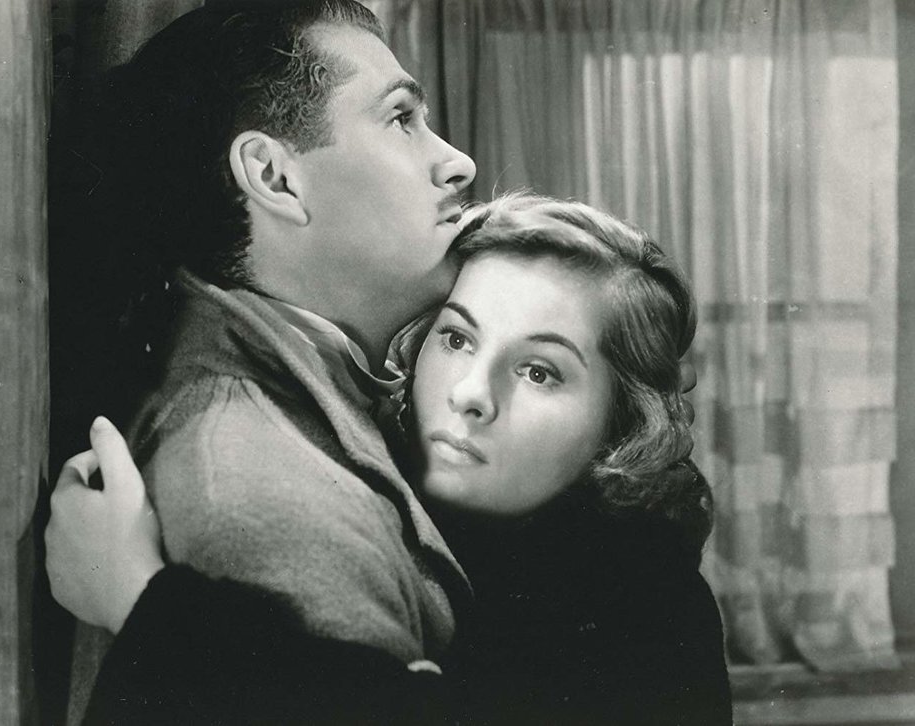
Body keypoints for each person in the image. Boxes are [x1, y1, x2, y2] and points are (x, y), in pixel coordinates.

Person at [48, 194, 730, 724]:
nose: (471, 395)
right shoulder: (367, 479)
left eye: (539, 372)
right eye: (457, 339)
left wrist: (139, 599)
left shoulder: (651, 606)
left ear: (622, 424)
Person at [46, 1, 477, 721]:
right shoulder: (256, 496)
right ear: (275, 178)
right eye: (402, 118)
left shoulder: (316, 402)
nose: (458, 162)